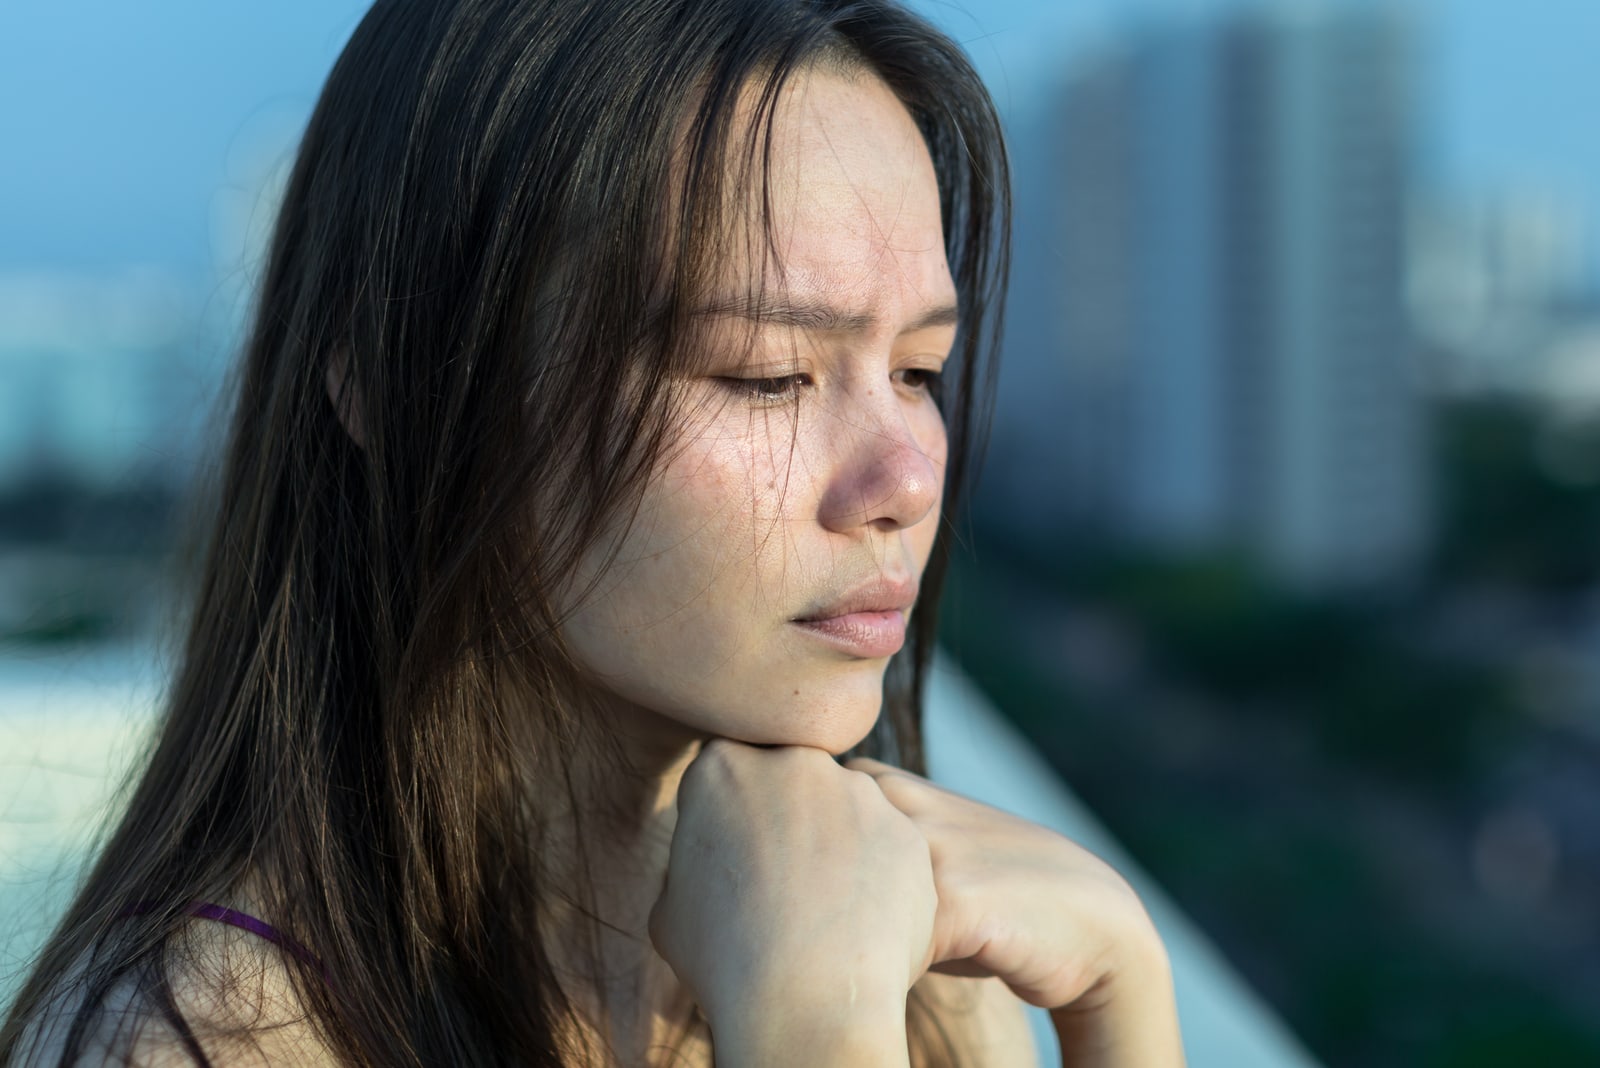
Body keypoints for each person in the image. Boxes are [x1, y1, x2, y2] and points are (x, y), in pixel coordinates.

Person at [2, 0, 1185, 1064]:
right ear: (400, 381)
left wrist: (1121, 996)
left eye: (920, 367)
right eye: (765, 374)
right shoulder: (212, 1044)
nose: (907, 476)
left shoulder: (923, 974)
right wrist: (813, 1032)